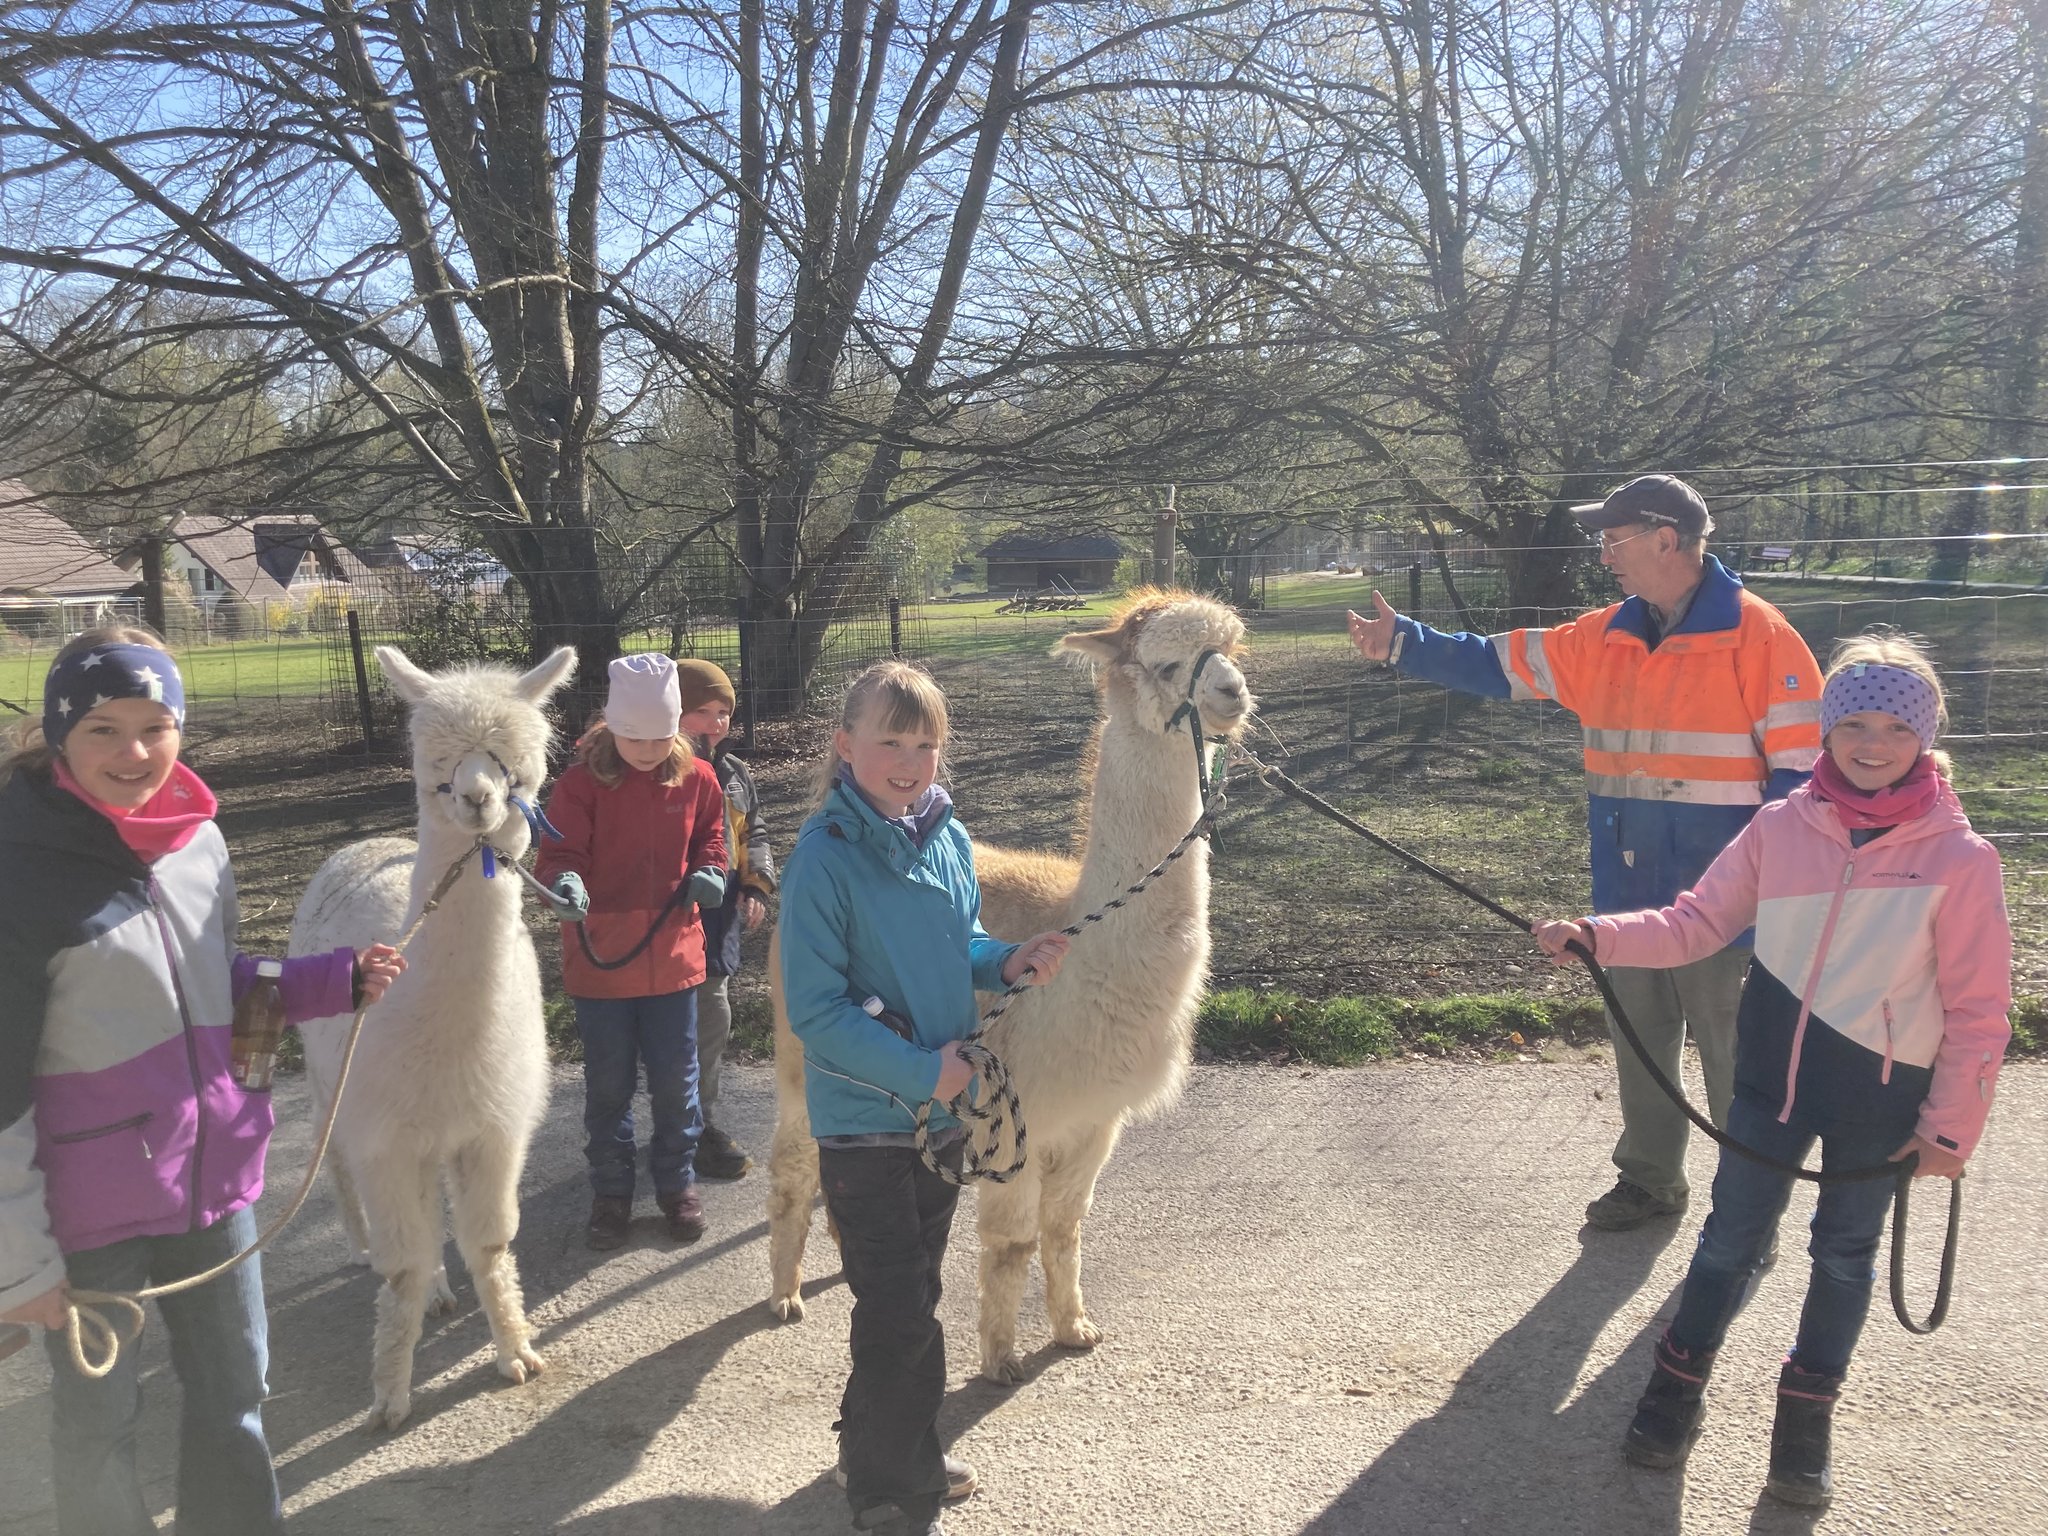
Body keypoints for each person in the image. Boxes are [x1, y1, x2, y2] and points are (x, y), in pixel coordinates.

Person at [1534, 632, 2011, 1508]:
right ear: (1826, 732)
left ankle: (1805, 1417)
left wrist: (1951, 1126)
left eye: (1895, 729)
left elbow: (1981, 1014)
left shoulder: (1960, 861)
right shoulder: (1781, 826)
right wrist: (1600, 935)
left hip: (1881, 1101)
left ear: (1926, 740)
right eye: (1854, 723)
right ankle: (1676, 1385)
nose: (1873, 744)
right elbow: (1693, 923)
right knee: (1729, 1240)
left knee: (1843, 1257)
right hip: (1768, 1087)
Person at [0, 626, 404, 1536]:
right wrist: (18, 1263)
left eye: (155, 725)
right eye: (103, 728)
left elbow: (217, 984)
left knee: (238, 1396)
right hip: (88, 1213)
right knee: (100, 1421)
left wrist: (328, 982)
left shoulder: (197, 841)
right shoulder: (16, 873)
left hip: (214, 1185)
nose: (134, 752)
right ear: (59, 732)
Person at [1348, 474, 1823, 1230]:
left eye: (1615, 539)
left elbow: (1802, 780)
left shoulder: (1761, 636)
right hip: (1629, 900)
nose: (1605, 556)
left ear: (1667, 541)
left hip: (1731, 909)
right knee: (1639, 1044)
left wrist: (1773, 894)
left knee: (1740, 1063)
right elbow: (1497, 662)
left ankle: (1750, 1205)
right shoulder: (1604, 635)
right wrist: (1405, 643)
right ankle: (1651, 1181)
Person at [778, 661, 1071, 1536]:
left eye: (925, 744)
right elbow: (816, 1012)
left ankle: (885, 1444)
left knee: (907, 1298)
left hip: (940, 1119)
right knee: (897, 1303)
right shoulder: (822, 862)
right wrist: (923, 1072)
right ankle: (886, 1483)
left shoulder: (944, 835)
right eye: (889, 742)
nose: (908, 761)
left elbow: (963, 942)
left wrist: (1006, 959)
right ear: (845, 747)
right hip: (867, 1122)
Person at [536, 654, 727, 1250]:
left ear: (677, 728)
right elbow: (559, 853)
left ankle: (676, 1183)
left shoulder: (698, 778)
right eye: (633, 737)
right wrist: (565, 881)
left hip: (672, 956)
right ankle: (611, 1191)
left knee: (677, 1082)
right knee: (608, 1085)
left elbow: (712, 838)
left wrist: (713, 869)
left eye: (659, 736)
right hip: (601, 962)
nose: (646, 749)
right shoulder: (578, 785)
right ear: (610, 727)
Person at [672, 659, 776, 1180]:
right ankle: (642, 1130)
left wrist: (756, 884)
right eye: (700, 711)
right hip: (660, 928)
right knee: (657, 1030)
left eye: (723, 713)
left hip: (716, 929)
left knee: (713, 1018)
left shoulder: (735, 774)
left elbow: (755, 832)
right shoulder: (652, 771)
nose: (714, 724)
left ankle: (698, 1123)